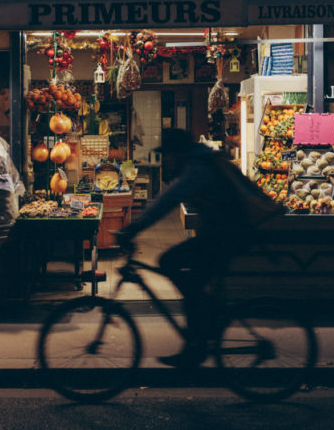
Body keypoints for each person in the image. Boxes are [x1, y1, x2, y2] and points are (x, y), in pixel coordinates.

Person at [116, 128, 281, 368]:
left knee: (172, 264)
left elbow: (168, 199)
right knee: (185, 274)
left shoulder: (198, 168)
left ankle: (199, 336)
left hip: (229, 236)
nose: (167, 160)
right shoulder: (201, 161)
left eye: (168, 155)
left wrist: (133, 229)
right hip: (224, 234)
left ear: (177, 153)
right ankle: (201, 326)